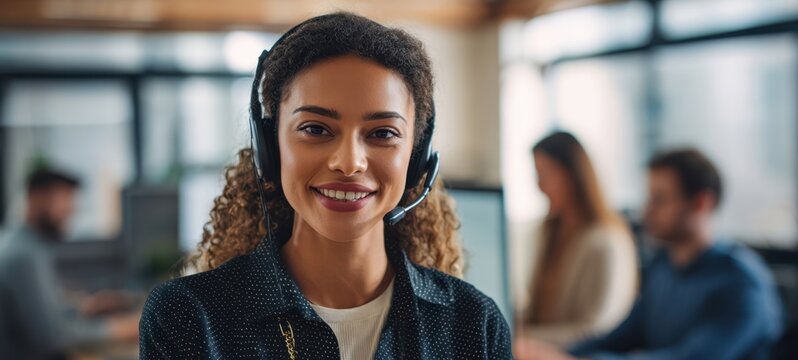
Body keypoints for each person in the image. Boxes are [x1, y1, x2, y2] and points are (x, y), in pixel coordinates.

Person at [139, 13, 511, 359]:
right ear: (271, 148)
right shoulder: (189, 319)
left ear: (416, 160)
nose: (349, 162)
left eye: (383, 133)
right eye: (316, 129)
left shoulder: (474, 325)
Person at [515, 148, 783, 360]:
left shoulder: (741, 284)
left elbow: (693, 358)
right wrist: (556, 353)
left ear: (701, 203)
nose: (647, 212)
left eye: (660, 199)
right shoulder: (664, 266)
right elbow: (624, 335)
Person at [0, 169, 140, 360]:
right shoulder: (25, 254)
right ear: (37, 197)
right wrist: (120, 329)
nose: (72, 209)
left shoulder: (19, 242)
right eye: (65, 199)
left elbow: (37, 316)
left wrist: (82, 308)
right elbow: (52, 337)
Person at [515, 131, 638, 347]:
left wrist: (525, 339)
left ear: (573, 176)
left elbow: (595, 330)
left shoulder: (606, 242)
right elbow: (536, 312)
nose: (539, 186)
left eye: (545, 175)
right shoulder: (548, 232)